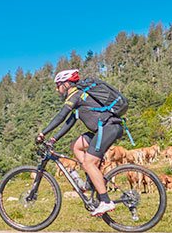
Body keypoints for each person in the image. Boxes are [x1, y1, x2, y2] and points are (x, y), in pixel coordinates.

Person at [36, 69, 123, 216]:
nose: (57, 89)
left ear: (66, 84)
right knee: (76, 146)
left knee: (89, 162)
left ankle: (106, 201)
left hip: (108, 128)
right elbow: (70, 121)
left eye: (58, 85)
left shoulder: (75, 95)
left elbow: (61, 116)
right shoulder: (81, 98)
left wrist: (42, 133)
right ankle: (90, 182)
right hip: (105, 129)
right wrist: (54, 138)